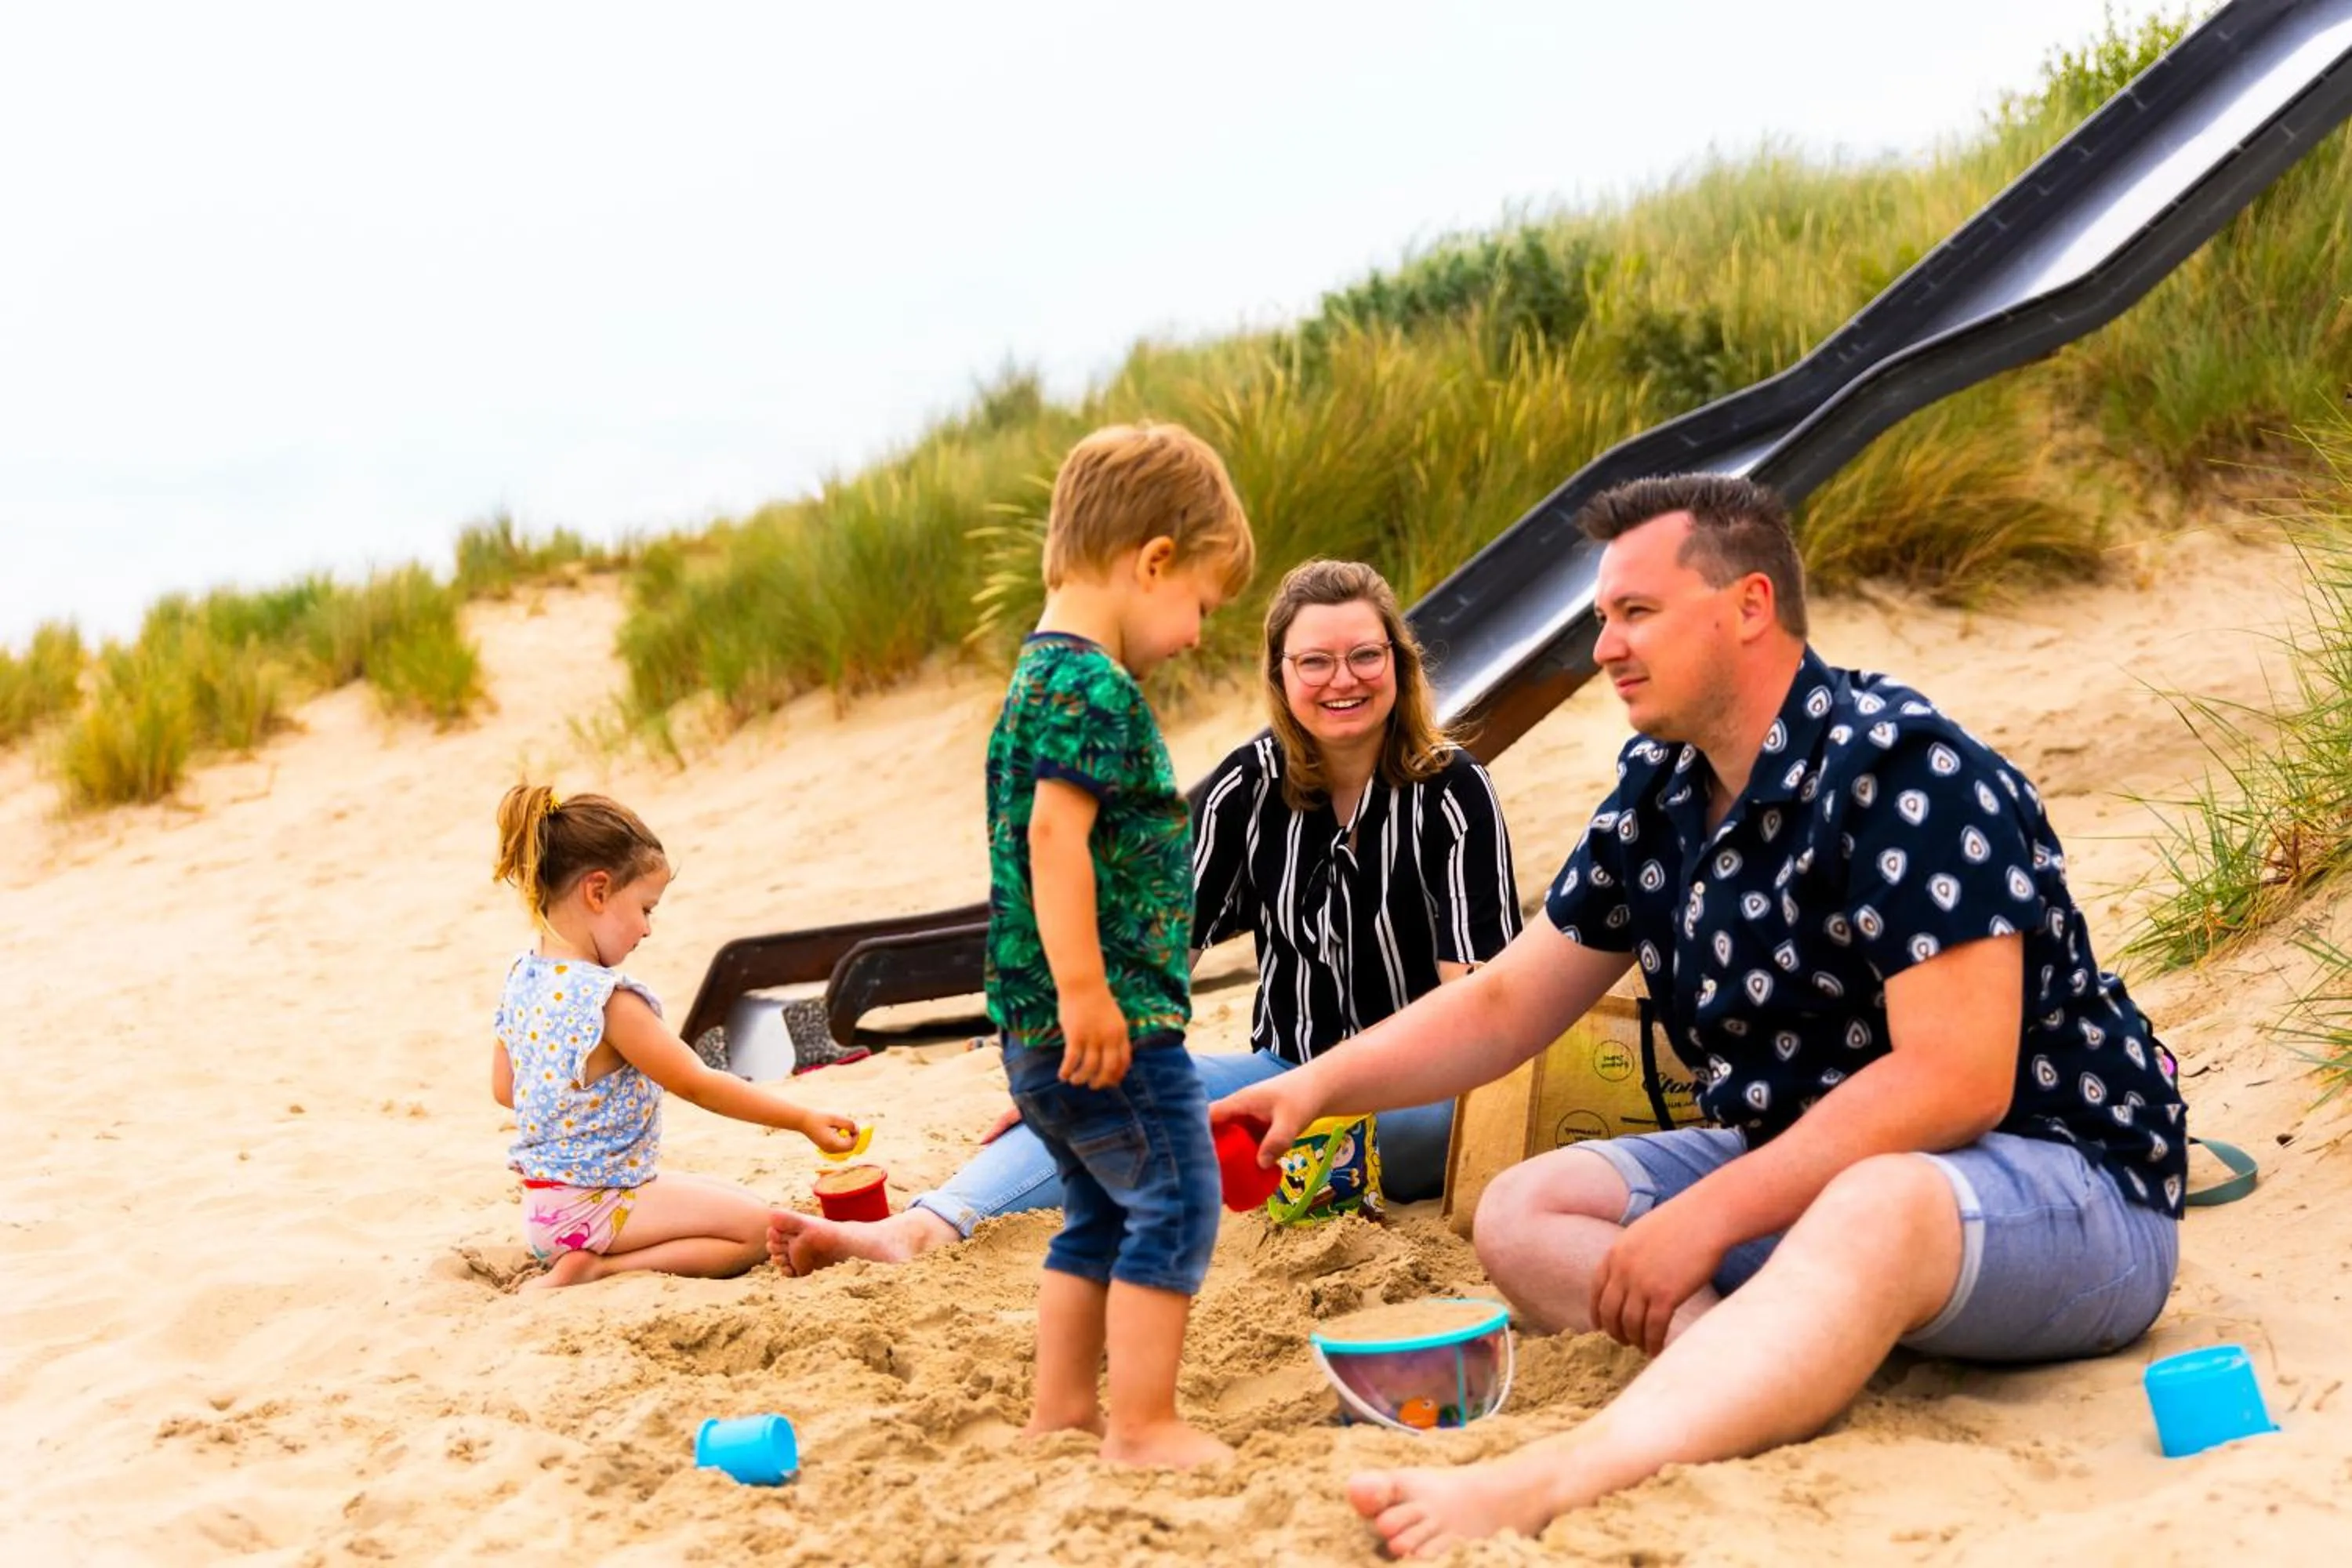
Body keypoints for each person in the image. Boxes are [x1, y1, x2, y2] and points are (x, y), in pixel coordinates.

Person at [1214, 474, 2187, 1557]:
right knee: (1525, 1210)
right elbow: (1504, 1001)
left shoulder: (1905, 772)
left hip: (2057, 1184)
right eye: (1600, 620)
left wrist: (1711, 1215)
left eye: (1636, 613)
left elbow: (1954, 1085)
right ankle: (1737, 1364)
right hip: (1810, 1173)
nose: (1603, 649)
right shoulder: (1662, 792)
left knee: (1880, 1201)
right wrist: (1317, 1084)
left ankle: (1568, 1472)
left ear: (1749, 607)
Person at [764, 556, 1520, 1276]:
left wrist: (1329, 1088)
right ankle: (919, 1230)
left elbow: (1473, 1007)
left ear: (1399, 661)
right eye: (1314, 661)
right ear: (1280, 676)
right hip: (1279, 1069)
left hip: (1419, 1100)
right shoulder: (1250, 785)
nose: (1342, 679)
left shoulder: (1453, 792)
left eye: (1365, 655)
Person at [970, 422, 1257, 1468]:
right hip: (1107, 1026)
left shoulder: (1033, 680)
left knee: (1094, 1213)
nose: (1195, 634)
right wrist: (1091, 994)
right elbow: (1056, 838)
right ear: (1154, 562)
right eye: (1202, 606)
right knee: (1178, 1203)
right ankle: (1143, 1425)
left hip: (1033, 1030)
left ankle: (1061, 1414)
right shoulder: (1094, 687)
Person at [490, 784, 858, 1290]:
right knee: (762, 1232)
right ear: (597, 892)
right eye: (645, 908)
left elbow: (505, 1090)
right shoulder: (611, 1003)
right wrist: (802, 1119)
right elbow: (699, 1084)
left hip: (542, 1210)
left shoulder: (522, 977)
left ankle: (583, 1254)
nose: (647, 929)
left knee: (719, 1200)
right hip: (600, 1207)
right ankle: (599, 1268)